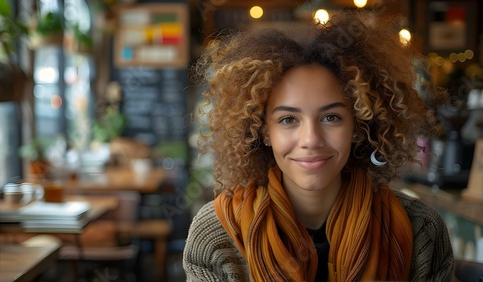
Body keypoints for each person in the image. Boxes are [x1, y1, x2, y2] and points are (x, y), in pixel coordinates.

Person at [183, 10, 455, 282]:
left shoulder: (420, 229)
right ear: (264, 131)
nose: (311, 139)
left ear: (358, 126)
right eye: (288, 119)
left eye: (331, 117)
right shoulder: (217, 234)